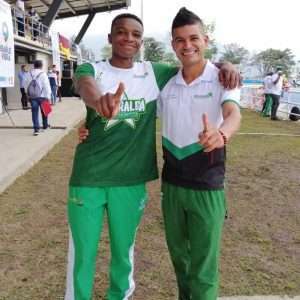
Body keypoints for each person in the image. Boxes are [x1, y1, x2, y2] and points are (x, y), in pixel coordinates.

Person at [66, 13, 240, 300]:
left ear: (141, 41)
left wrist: (226, 65)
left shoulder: (153, 73)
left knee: (124, 254)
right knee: (83, 254)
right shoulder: (91, 68)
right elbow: (85, 84)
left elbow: (194, 62)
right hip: (89, 177)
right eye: (121, 32)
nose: (128, 39)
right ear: (110, 38)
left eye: (135, 34)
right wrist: (99, 102)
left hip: (131, 180)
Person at [157, 8, 241, 300]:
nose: (187, 45)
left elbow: (233, 114)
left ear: (206, 39)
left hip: (207, 186)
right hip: (172, 186)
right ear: (173, 44)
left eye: (194, 38)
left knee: (204, 267)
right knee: (180, 261)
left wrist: (222, 134)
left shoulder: (223, 78)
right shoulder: (165, 82)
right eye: (180, 40)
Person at [25, 60, 51, 136]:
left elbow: (25, 84)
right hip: (43, 96)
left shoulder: (29, 73)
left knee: (34, 113)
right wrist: (48, 96)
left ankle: (36, 129)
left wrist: (27, 94)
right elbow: (46, 85)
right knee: (45, 111)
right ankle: (45, 126)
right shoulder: (43, 74)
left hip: (33, 96)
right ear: (41, 66)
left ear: (34, 65)